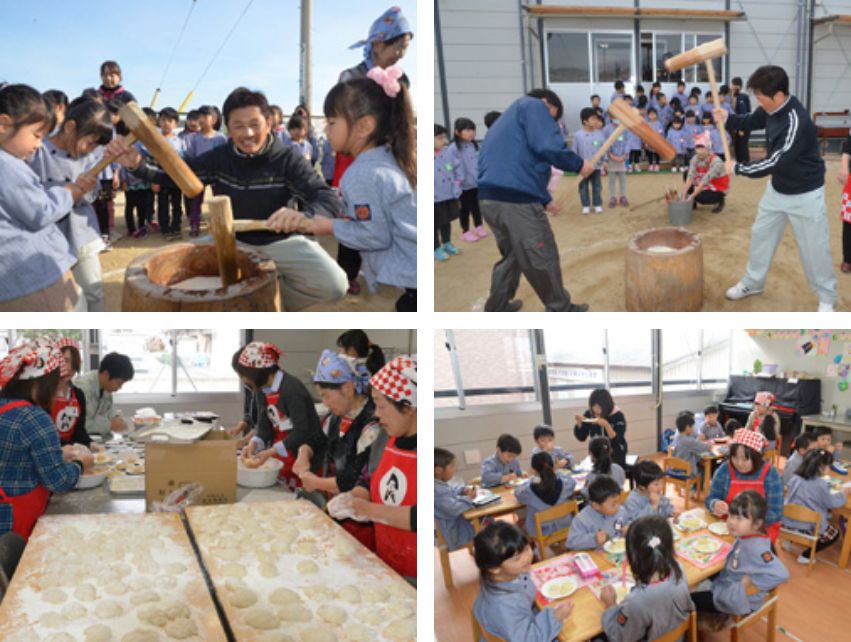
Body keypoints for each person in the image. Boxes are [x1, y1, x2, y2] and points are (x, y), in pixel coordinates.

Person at [106, 87, 349, 311]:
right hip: (227, 238)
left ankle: (264, 301)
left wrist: (303, 216)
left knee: (335, 285)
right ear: (228, 129)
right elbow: (180, 175)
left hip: (280, 240)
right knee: (173, 275)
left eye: (255, 124)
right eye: (238, 126)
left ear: (269, 123)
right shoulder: (219, 157)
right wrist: (137, 165)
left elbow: (326, 197)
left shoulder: (287, 158)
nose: (248, 133)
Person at [269, 70, 417, 312]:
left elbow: (373, 235)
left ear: (364, 126)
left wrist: (327, 226)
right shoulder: (391, 158)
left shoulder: (362, 173)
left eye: (332, 121)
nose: (326, 129)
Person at [716, 65, 838, 311]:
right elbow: (752, 120)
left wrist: (737, 168)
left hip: (805, 194)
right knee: (761, 236)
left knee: (814, 250)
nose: (759, 103)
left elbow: (773, 161)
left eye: (761, 98)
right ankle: (754, 282)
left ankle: (827, 298)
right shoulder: (770, 109)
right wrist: (728, 118)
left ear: (779, 96)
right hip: (778, 189)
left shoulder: (797, 121)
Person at [477, 89, 594, 312]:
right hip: (515, 201)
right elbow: (547, 146)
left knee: (513, 255)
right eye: (552, 116)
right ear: (545, 103)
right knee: (541, 254)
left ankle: (497, 306)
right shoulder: (532, 106)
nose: (550, 123)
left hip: (491, 198)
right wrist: (578, 164)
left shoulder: (506, 122)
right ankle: (560, 308)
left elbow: (523, 162)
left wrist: (543, 198)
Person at [335, 6, 414, 295]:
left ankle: (394, 271)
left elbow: (403, 118)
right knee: (354, 217)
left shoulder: (400, 79)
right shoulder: (351, 77)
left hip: (389, 157)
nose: (401, 54)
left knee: (389, 217)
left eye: (406, 48)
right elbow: (342, 120)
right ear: (379, 44)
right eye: (399, 47)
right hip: (355, 157)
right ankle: (348, 272)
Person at [0, 84, 95, 311]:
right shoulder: (6, 165)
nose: (38, 144)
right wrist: (69, 193)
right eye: (36, 135)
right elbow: (40, 211)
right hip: (33, 280)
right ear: (3, 125)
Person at [27, 96, 113, 312]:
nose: (90, 149)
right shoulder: (37, 150)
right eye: (90, 141)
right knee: (63, 299)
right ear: (70, 127)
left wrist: (86, 190)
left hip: (81, 233)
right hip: (46, 237)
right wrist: (68, 193)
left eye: (95, 145)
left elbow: (94, 195)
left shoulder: (90, 156)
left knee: (94, 291)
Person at [0, 339, 93, 539]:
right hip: (15, 518)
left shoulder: (3, 406)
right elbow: (58, 481)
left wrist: (57, 453)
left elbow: (14, 458)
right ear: (43, 382)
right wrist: (80, 463)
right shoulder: (35, 418)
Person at [349, 356, 417, 582]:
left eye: (381, 405)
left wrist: (368, 511)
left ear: (408, 407)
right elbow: (367, 477)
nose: (377, 414)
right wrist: (356, 498)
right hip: (386, 560)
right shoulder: (385, 437)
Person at [231, 342, 326, 491]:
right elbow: (264, 426)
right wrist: (254, 443)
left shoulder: (292, 389)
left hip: (305, 456)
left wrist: (270, 451)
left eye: (244, 375)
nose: (244, 380)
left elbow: (302, 431)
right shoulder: (261, 389)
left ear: (257, 372)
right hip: (283, 454)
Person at [691, 491, 789, 615]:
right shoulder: (746, 535)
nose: (731, 522)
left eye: (739, 518)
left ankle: (690, 631)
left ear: (757, 524)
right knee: (704, 574)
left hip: (736, 598)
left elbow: (782, 574)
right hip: (729, 582)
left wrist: (747, 584)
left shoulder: (756, 548)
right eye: (731, 515)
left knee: (688, 600)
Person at [472, 521, 572, 640]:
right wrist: (555, 617)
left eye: (526, 548)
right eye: (517, 558)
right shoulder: (503, 606)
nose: (527, 557)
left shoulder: (502, 577)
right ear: (494, 568)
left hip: (522, 623)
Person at [600, 515, 694, 641]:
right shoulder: (678, 569)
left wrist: (610, 605)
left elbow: (619, 637)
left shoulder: (637, 602)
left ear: (632, 556)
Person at [706, 428, 783, 542]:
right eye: (735, 458)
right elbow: (710, 498)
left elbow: (776, 512)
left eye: (745, 459)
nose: (739, 463)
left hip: (759, 531)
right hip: (727, 529)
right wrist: (714, 504)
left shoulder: (770, 473)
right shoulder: (725, 469)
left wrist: (751, 522)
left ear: (756, 457)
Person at [783, 448, 851, 563]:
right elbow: (833, 503)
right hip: (806, 526)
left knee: (808, 512)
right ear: (821, 468)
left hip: (787, 521)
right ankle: (806, 556)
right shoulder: (821, 484)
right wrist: (844, 493)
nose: (830, 469)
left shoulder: (795, 478)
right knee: (835, 533)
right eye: (829, 466)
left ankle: (788, 540)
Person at [183, 105, 226, 237]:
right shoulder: (194, 138)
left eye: (204, 116)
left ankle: (220, 225)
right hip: (199, 175)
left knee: (218, 200)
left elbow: (225, 155)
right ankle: (194, 225)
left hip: (216, 175)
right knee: (196, 201)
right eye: (199, 117)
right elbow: (189, 155)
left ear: (213, 119)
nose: (200, 119)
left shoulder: (220, 138)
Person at [514, 452, 577, 537]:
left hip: (542, 531)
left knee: (521, 523)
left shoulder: (529, 490)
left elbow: (517, 493)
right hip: (565, 526)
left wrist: (532, 480)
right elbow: (572, 481)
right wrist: (556, 473)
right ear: (552, 466)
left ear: (534, 470)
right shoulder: (565, 484)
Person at [51, 337, 98, 450]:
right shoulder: (44, 393)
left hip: (70, 452)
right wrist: (72, 446)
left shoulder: (78, 395)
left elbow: (79, 432)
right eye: (65, 361)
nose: (69, 368)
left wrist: (90, 443)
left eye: (73, 362)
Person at [74, 352, 134, 439]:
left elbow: (110, 412)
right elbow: (82, 424)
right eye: (119, 383)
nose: (120, 387)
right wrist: (109, 425)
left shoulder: (106, 389)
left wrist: (117, 418)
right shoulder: (83, 388)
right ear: (106, 374)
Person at [566, 476, 626, 550]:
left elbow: (624, 524)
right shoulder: (582, 519)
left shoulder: (621, 511)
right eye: (613, 504)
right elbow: (571, 543)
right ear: (596, 506)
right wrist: (593, 539)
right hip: (597, 554)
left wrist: (628, 529)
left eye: (618, 501)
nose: (618, 506)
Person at [434, 447, 476, 552]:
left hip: (451, 524)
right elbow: (453, 509)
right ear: (438, 470)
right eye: (452, 467)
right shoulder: (436, 490)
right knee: (475, 528)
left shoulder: (438, 483)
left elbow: (450, 489)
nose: (455, 470)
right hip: (449, 531)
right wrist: (468, 498)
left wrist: (462, 489)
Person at [573, 388, 628, 466]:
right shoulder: (590, 413)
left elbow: (618, 440)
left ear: (606, 405)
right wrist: (579, 424)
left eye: (598, 407)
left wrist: (606, 425)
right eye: (593, 406)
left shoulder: (618, 416)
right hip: (597, 455)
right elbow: (582, 437)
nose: (595, 410)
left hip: (616, 454)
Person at [453, 117, 487, 243]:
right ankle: (465, 231)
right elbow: (450, 167)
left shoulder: (473, 145)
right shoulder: (453, 149)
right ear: (457, 132)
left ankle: (479, 226)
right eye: (467, 130)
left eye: (473, 129)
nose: (471, 132)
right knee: (465, 208)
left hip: (475, 183)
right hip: (463, 185)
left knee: (476, 206)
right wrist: (457, 182)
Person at [681, 131, 728, 213]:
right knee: (686, 173)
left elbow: (705, 180)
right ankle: (692, 201)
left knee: (701, 198)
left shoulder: (716, 161)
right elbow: (690, 175)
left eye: (703, 148)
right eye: (697, 148)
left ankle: (720, 200)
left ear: (708, 148)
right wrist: (684, 193)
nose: (700, 151)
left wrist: (692, 196)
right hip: (705, 182)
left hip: (717, 187)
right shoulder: (695, 158)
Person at [434, 124, 461, 262]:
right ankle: (435, 248)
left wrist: (457, 184)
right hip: (434, 198)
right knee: (434, 224)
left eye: (444, 137)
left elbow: (457, 168)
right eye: (439, 138)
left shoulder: (447, 153)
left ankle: (447, 243)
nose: (443, 141)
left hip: (448, 194)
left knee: (446, 221)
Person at [573, 108, 605, 214]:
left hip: (596, 166)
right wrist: (577, 165)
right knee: (583, 187)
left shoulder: (599, 134)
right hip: (583, 167)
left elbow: (603, 148)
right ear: (585, 121)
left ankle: (597, 204)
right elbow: (574, 151)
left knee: (597, 186)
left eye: (596, 118)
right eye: (592, 118)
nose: (595, 121)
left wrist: (604, 161)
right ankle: (585, 205)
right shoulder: (578, 135)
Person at [673, 411, 713, 481]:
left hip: (676, 469)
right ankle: (698, 488)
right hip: (687, 472)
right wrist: (710, 444)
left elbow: (694, 443)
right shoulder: (689, 441)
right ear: (688, 427)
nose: (693, 429)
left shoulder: (677, 437)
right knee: (705, 465)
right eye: (692, 427)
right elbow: (706, 447)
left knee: (697, 458)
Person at [604, 117, 628, 207]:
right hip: (611, 158)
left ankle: (623, 196)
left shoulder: (625, 127)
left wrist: (624, 155)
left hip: (622, 157)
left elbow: (628, 141)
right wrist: (609, 155)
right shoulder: (606, 129)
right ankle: (612, 197)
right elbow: (604, 143)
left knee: (623, 179)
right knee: (612, 180)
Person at [731, 76, 752, 163]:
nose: (731, 86)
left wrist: (741, 128)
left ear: (737, 86)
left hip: (743, 126)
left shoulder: (742, 97)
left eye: (732, 84)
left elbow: (743, 114)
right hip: (739, 125)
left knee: (742, 146)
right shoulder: (736, 96)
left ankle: (744, 163)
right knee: (737, 145)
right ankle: (740, 163)